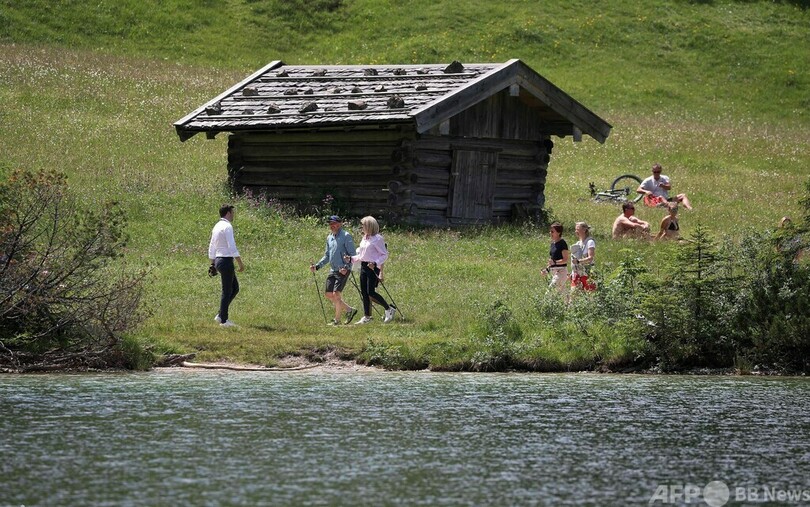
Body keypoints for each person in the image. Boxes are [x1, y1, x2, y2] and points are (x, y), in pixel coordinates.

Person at [344, 216, 396, 324]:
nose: (361, 228)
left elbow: (384, 255)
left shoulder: (378, 239)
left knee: (371, 292)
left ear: (369, 226)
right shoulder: (365, 238)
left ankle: (388, 309)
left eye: (363, 225)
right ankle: (367, 317)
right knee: (364, 293)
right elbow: (362, 255)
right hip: (364, 265)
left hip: (372, 267)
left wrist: (376, 263)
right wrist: (351, 259)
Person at [310, 215, 357, 325]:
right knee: (328, 294)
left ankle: (337, 320)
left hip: (343, 270)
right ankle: (350, 310)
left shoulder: (346, 236)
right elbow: (327, 256)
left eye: (334, 223)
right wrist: (317, 266)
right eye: (330, 224)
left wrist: (346, 267)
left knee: (336, 294)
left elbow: (353, 255)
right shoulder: (329, 238)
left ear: (340, 224)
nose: (332, 225)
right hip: (333, 270)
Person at [208, 204, 244, 328]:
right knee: (227, 290)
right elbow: (232, 246)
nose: (233, 215)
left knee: (234, 288)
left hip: (218, 259)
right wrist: (240, 263)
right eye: (232, 213)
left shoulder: (216, 226)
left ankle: (220, 314)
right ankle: (224, 320)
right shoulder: (227, 226)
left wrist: (212, 263)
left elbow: (212, 246)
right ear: (228, 213)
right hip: (226, 260)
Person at [542, 222, 569, 293]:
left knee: (550, 292)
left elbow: (565, 260)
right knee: (563, 295)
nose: (550, 233)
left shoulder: (562, 243)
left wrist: (555, 262)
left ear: (559, 232)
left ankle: (546, 304)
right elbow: (552, 261)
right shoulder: (552, 244)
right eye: (550, 231)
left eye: (552, 231)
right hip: (554, 272)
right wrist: (547, 270)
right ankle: (569, 304)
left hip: (561, 271)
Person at [571, 221, 596, 291]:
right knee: (573, 295)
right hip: (577, 274)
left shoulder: (590, 242)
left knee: (590, 295)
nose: (576, 231)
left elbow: (591, 258)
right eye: (575, 229)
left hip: (588, 273)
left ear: (584, 230)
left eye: (578, 229)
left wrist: (579, 261)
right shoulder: (577, 244)